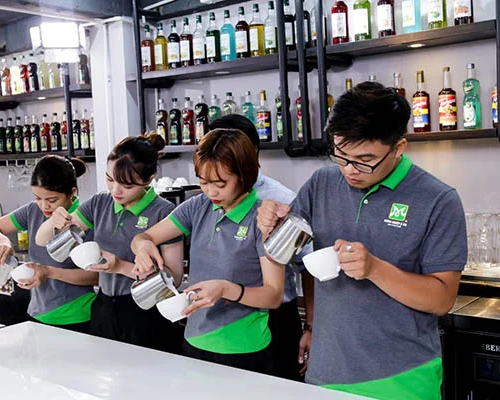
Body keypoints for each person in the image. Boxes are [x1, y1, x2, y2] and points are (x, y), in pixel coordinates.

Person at [257, 82, 467, 400]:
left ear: (399, 148)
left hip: (402, 378)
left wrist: (374, 269)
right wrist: (269, 225)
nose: (350, 170)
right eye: (341, 156)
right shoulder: (322, 183)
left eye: (364, 160)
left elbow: (441, 299)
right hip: (326, 373)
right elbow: (281, 253)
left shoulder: (438, 200)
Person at [130, 129, 285, 374]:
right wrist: (143, 246)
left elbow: (274, 295)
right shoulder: (198, 207)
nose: (211, 192)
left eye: (220, 184)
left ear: (244, 175)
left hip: (243, 349)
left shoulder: (263, 219)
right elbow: (143, 237)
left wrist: (226, 289)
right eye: (203, 182)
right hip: (193, 341)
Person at [35, 134, 184, 352]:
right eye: (110, 179)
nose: (116, 190)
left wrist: (120, 267)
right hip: (103, 307)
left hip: (144, 311)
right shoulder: (100, 203)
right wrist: (54, 220)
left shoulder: (164, 212)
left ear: (149, 179)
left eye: (126, 185)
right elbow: (42, 239)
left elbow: (174, 278)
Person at [208, 114, 313, 380]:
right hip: (221, 320)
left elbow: (309, 266)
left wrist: (311, 327)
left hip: (274, 317)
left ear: (251, 151)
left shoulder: (280, 199)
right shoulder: (209, 198)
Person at [0, 155, 98, 333]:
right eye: (38, 198)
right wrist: (1, 240)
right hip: (37, 313)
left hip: (77, 316)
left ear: (72, 192)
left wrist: (49, 272)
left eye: (52, 200)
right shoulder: (33, 211)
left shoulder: (84, 218)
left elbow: (96, 276)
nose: (44, 206)